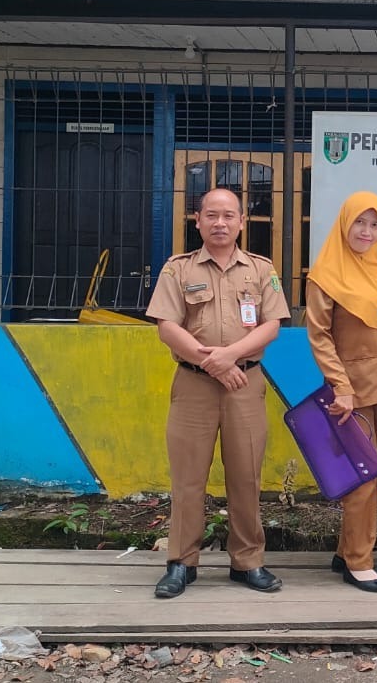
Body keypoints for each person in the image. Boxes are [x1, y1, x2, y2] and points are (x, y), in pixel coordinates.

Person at [146, 187, 290, 599]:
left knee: (245, 475)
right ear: (198, 221)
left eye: (229, 216)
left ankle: (248, 562)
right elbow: (166, 326)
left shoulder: (261, 270)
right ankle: (181, 562)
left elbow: (271, 325)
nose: (220, 223)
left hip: (245, 383)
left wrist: (230, 357)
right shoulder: (179, 269)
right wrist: (212, 361)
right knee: (188, 477)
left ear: (242, 222)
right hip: (194, 384)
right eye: (212, 215)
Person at [305, 191, 377, 595]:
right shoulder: (326, 274)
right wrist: (341, 387)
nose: (366, 232)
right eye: (359, 223)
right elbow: (319, 336)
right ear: (344, 224)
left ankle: (345, 549)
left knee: (376, 477)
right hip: (352, 392)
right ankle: (360, 562)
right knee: (362, 479)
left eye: (375, 225)